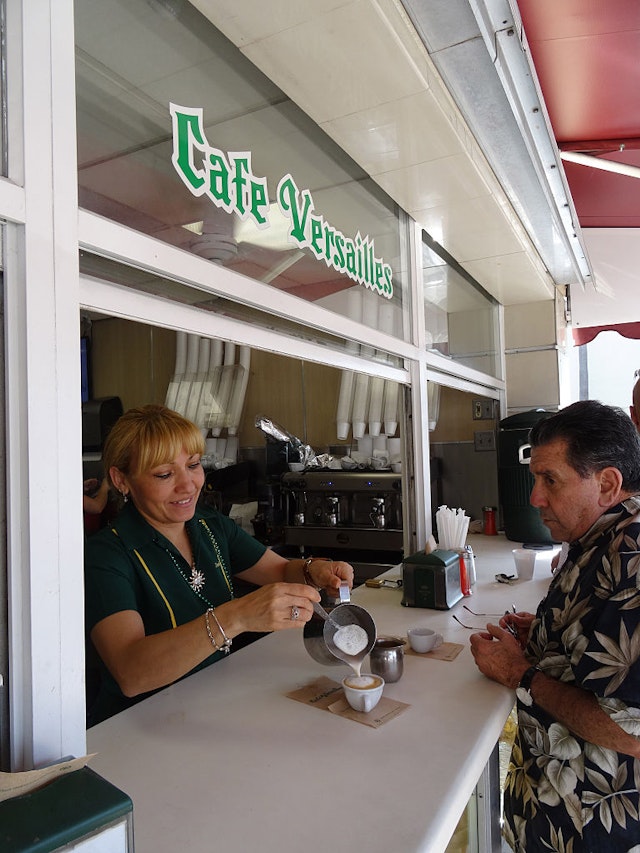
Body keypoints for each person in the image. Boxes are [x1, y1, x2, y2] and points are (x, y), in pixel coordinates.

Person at [84, 404, 353, 725]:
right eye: (164, 474)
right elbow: (131, 673)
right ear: (121, 479)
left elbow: (279, 570)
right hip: (138, 726)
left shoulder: (209, 526)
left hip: (211, 703)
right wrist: (236, 617)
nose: (188, 485)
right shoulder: (106, 555)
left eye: (194, 465)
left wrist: (312, 570)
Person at [470, 400, 640, 851]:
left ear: (607, 483)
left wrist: (518, 673)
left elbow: (631, 729)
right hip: (555, 809)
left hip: (591, 826)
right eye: (534, 479)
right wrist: (549, 637)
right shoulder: (600, 533)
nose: (535, 498)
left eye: (550, 480)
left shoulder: (634, 557)